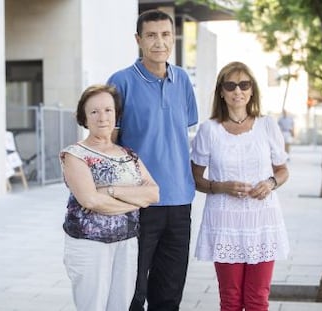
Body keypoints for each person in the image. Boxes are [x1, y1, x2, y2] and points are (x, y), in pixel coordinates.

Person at [107, 9, 198, 311]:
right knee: (133, 291)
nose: (159, 42)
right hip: (138, 202)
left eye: (165, 34)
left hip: (180, 199)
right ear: (139, 40)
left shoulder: (183, 80)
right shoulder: (121, 82)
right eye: (151, 35)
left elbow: (180, 134)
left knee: (170, 292)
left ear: (173, 37)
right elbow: (110, 142)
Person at [190, 61, 290, 311]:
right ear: (221, 92)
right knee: (231, 299)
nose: (238, 91)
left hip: (262, 221)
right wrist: (222, 186)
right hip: (225, 222)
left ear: (252, 90)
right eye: (231, 85)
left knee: (257, 299)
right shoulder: (208, 130)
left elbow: (282, 170)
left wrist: (270, 183)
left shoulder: (267, 125)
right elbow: (196, 179)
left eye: (244, 84)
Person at [60, 84, 159, 311]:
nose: (102, 117)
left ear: (116, 114)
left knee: (121, 307)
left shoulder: (128, 155)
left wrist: (111, 191)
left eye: (108, 110)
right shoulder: (75, 154)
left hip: (126, 243)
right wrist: (135, 200)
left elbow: (153, 193)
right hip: (89, 245)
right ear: (84, 118)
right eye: (94, 111)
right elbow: (90, 201)